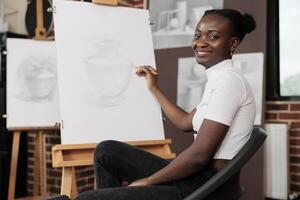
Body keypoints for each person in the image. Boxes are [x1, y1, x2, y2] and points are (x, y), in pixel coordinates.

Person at [48, 8, 256, 200]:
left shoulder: (229, 82)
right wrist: (154, 87)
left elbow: (199, 156)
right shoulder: (219, 79)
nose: (201, 42)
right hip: (196, 176)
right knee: (106, 151)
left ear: (233, 43)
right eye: (197, 35)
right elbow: (185, 122)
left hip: (206, 185)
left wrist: (148, 181)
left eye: (213, 36)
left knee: (86, 199)